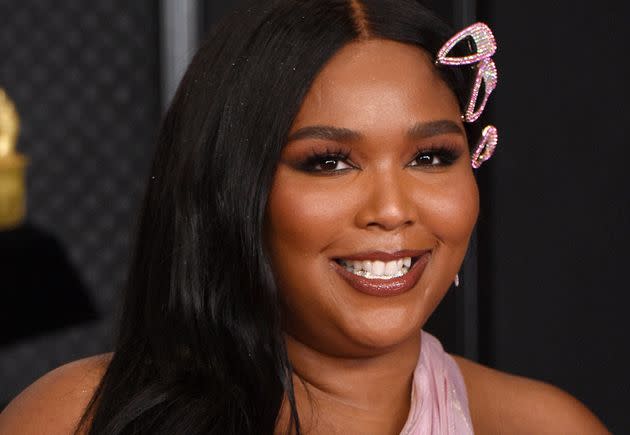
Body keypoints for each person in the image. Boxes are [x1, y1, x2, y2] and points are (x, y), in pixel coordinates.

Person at [0, 0, 609, 433]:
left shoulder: (543, 425)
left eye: (430, 156)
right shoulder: (77, 419)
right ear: (235, 190)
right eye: (329, 163)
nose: (393, 210)